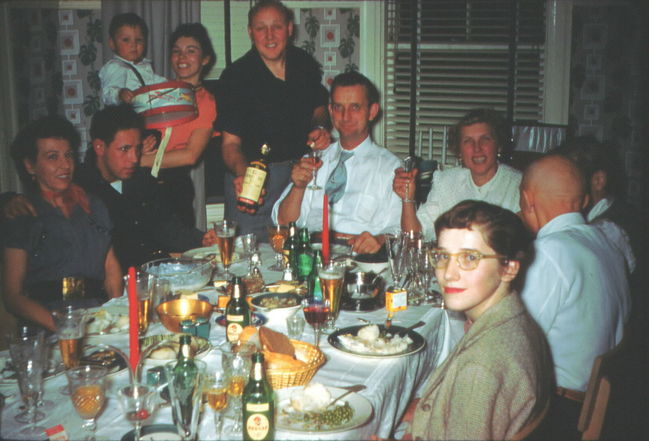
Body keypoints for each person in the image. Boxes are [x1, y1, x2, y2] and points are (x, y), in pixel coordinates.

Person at [405, 200, 552, 440]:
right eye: (443, 256)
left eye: (470, 258)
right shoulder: (513, 318)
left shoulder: (480, 368)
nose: (448, 273)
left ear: (509, 269)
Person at [2, 105, 213, 270]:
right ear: (99, 147)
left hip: (155, 276)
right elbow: (37, 206)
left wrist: (200, 239)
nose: (134, 158)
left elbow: (167, 227)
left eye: (138, 148)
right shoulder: (75, 185)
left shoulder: (142, 180)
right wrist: (8, 200)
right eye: (124, 149)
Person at [519, 154, 630, 440]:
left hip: (554, 416)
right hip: (593, 408)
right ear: (581, 201)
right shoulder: (606, 241)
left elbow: (511, 343)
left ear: (528, 199)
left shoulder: (549, 251)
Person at [216, 0, 330, 237]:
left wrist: (320, 127)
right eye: (260, 28)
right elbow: (230, 145)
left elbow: (319, 109)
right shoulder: (236, 77)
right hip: (255, 180)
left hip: (299, 177)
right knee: (248, 257)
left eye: (276, 26)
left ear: (289, 29)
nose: (269, 35)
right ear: (250, 32)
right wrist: (242, 173)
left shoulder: (303, 64)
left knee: (294, 255)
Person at [2, 116, 122, 331]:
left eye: (68, 155)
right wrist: (62, 326)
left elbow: (110, 269)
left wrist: (118, 315)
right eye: (52, 157)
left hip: (97, 317)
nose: (65, 165)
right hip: (48, 324)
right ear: (30, 165)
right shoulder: (22, 214)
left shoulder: (93, 205)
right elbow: (13, 296)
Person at [272, 71, 402, 254]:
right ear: (331, 111)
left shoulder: (391, 168)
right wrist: (298, 187)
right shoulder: (314, 159)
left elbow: (401, 230)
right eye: (339, 107)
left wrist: (380, 240)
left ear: (372, 111)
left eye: (355, 107)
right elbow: (283, 224)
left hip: (357, 260)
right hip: (310, 256)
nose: (346, 116)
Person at [393, 108, 521, 239]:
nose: (477, 148)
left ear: (498, 145)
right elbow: (414, 236)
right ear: (459, 151)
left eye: (485, 139)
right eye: (468, 141)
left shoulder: (519, 185)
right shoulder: (445, 182)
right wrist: (407, 199)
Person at [139, 23, 218, 227]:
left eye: (191, 51)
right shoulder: (158, 92)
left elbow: (190, 155)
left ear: (205, 59)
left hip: (172, 184)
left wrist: (139, 160)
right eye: (176, 51)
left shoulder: (206, 102)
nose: (182, 57)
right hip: (140, 180)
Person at [99, 12, 167, 106]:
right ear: (112, 44)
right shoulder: (115, 66)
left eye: (139, 40)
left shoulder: (144, 66)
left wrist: (170, 85)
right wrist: (119, 94)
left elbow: (156, 82)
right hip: (124, 116)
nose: (134, 45)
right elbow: (108, 93)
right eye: (126, 40)